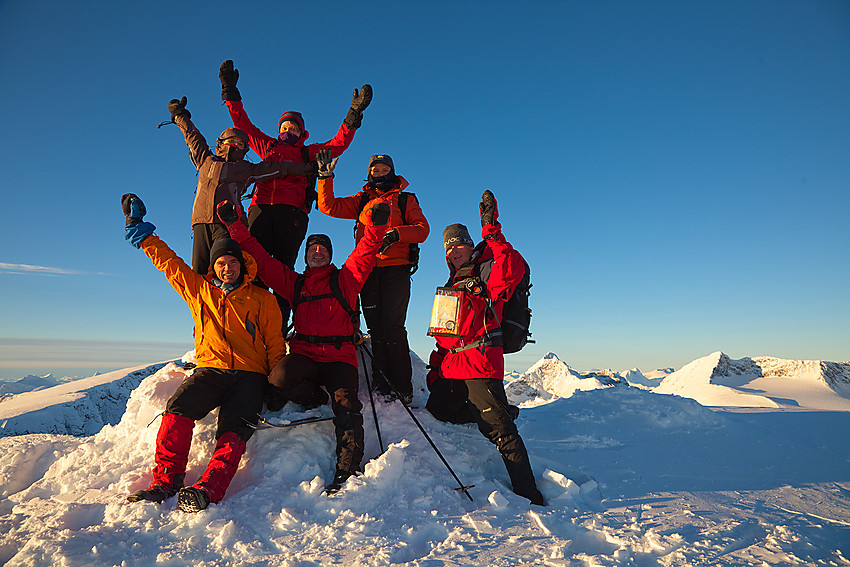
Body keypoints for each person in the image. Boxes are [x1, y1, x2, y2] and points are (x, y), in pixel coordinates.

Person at [121, 193, 286, 513]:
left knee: (233, 428)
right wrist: (143, 233)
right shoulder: (201, 292)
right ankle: (166, 480)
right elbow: (171, 265)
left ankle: (209, 487)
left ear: (242, 264)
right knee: (177, 409)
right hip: (211, 370)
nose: (227, 268)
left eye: (233, 262)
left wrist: (275, 380)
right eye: (221, 263)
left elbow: (275, 342)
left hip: (250, 375)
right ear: (215, 266)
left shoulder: (262, 299)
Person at [216, 197, 390, 494]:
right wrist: (235, 226)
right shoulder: (295, 283)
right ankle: (314, 397)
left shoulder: (345, 279)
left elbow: (365, 252)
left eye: (322, 248)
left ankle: (347, 470)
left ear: (330, 255)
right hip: (305, 354)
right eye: (313, 248)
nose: (318, 252)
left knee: (347, 406)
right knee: (278, 379)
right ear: (306, 255)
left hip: (339, 357)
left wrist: (376, 226)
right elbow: (262, 259)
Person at [219, 59, 372, 326]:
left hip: (292, 215)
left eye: (293, 128)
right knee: (253, 267)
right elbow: (242, 123)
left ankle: (278, 330)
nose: (288, 131)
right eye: (284, 127)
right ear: (279, 130)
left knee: (284, 272)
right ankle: (250, 327)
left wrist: (353, 116)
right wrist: (230, 91)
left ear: (302, 132)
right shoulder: (267, 146)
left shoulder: (307, 152)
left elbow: (337, 145)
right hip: (261, 210)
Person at [425, 190, 545, 506]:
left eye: (459, 245)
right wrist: (436, 366)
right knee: (438, 409)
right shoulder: (451, 284)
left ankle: (529, 493)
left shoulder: (487, 271)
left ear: (470, 245)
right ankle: (497, 410)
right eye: (448, 248)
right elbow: (445, 335)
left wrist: (492, 231)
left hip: (479, 362)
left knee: (501, 433)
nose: (454, 251)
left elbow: (512, 266)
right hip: (453, 366)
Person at [316, 151, 429, 403]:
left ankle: (402, 386)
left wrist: (395, 234)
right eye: (375, 170)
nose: (379, 174)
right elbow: (328, 206)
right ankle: (382, 384)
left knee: (393, 327)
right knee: (376, 329)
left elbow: (423, 230)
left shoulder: (404, 199)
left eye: (384, 170)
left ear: (392, 171)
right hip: (367, 269)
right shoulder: (361, 200)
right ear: (369, 174)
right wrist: (325, 176)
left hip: (396, 268)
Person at [165, 96, 317, 275]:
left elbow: (279, 168)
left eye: (241, 144)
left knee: (225, 268)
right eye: (232, 142)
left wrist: (309, 168)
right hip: (201, 222)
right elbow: (192, 137)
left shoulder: (245, 169)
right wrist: (179, 115)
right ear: (221, 142)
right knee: (199, 272)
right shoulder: (205, 160)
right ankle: (201, 304)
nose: (235, 146)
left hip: (227, 223)